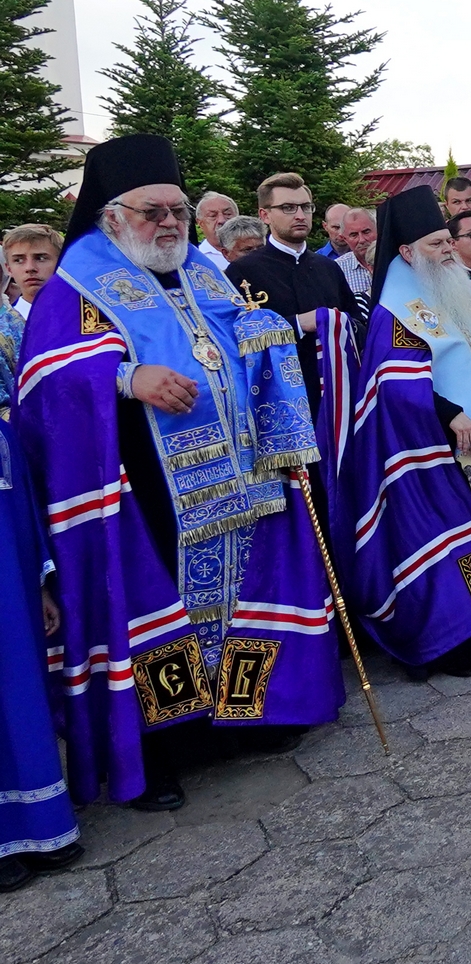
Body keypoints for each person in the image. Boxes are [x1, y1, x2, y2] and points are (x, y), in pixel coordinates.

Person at [19, 134, 343, 810]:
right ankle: (156, 753)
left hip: (235, 476)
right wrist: (126, 374)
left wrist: (264, 337)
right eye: (151, 211)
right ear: (112, 215)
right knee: (153, 610)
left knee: (235, 596)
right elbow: (44, 382)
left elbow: (234, 340)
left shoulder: (201, 268)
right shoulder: (76, 282)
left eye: (178, 209)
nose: (168, 223)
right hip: (141, 489)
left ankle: (236, 720)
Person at [330, 187, 471, 676]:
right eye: (438, 244)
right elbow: (391, 382)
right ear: (407, 252)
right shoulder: (394, 308)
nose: (448, 250)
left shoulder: (454, 289)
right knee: (452, 537)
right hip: (431, 447)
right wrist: (447, 412)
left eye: (446, 241)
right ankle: (451, 643)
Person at [0, 411, 80, 887]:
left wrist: (43, 586)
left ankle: (39, 828)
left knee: (21, 704)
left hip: (12, 595)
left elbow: (24, 511)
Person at [228, 173, 366, 421]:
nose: (300, 215)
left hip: (337, 400)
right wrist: (298, 324)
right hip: (278, 405)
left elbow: (358, 325)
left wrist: (339, 324)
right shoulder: (242, 271)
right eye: (288, 208)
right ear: (265, 215)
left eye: (306, 207)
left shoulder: (328, 268)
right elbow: (232, 338)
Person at [3, 226, 60, 321]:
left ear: (60, 264)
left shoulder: (86, 322)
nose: (30, 268)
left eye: (40, 258)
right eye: (19, 260)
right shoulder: (4, 329)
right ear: (9, 269)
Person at [334, 207, 376, 306]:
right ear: (344, 239)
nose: (361, 240)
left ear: (377, 230)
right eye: (354, 235)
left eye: (366, 232)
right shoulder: (337, 269)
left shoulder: (395, 261)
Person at [193, 192, 237, 275]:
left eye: (227, 214)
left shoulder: (255, 251)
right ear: (200, 223)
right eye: (213, 215)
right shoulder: (196, 258)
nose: (222, 220)